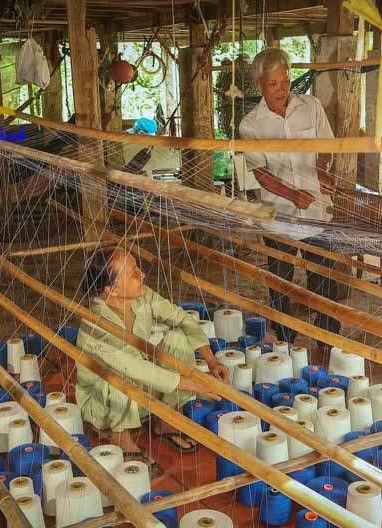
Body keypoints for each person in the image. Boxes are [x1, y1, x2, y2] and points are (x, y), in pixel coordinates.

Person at [74, 247, 229, 462]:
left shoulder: (141, 297)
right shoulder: (97, 322)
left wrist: (211, 360)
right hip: (104, 402)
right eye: (133, 273)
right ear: (112, 290)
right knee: (118, 373)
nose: (142, 274)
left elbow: (180, 317)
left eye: (138, 268)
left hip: (140, 389)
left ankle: (164, 418)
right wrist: (194, 384)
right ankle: (121, 437)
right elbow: (132, 367)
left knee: (177, 338)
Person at [239, 47, 341, 364]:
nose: (282, 89)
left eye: (286, 81)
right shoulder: (251, 125)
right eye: (273, 84)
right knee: (280, 282)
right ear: (259, 84)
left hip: (317, 212)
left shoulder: (311, 107)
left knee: (323, 280)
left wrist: (323, 172)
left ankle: (326, 344)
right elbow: (261, 173)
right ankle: (285, 344)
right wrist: (292, 195)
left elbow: (326, 146)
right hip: (278, 216)